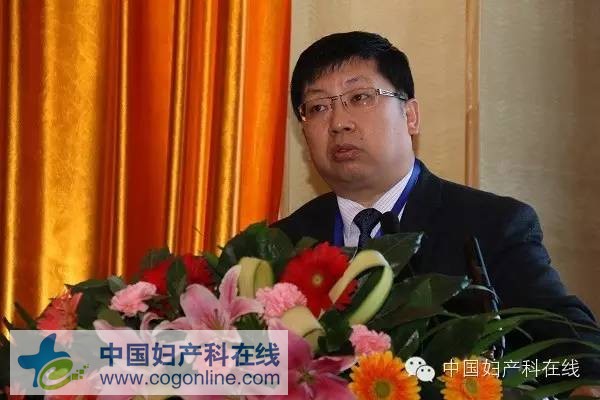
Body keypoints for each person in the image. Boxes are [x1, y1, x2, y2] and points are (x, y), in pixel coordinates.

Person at [272, 31, 600, 392]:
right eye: (318, 107)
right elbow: (240, 372)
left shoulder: (490, 226)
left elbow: (576, 355)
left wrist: (476, 380)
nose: (339, 122)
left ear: (410, 116)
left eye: (360, 97)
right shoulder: (280, 244)